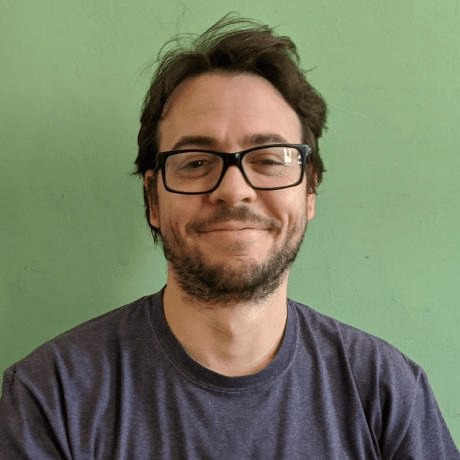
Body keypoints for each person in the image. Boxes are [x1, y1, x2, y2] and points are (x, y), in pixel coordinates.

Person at [0, 16, 459, 460]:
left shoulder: (386, 392)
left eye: (269, 159)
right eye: (196, 162)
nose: (233, 190)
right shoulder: (50, 397)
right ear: (153, 199)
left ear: (310, 190)